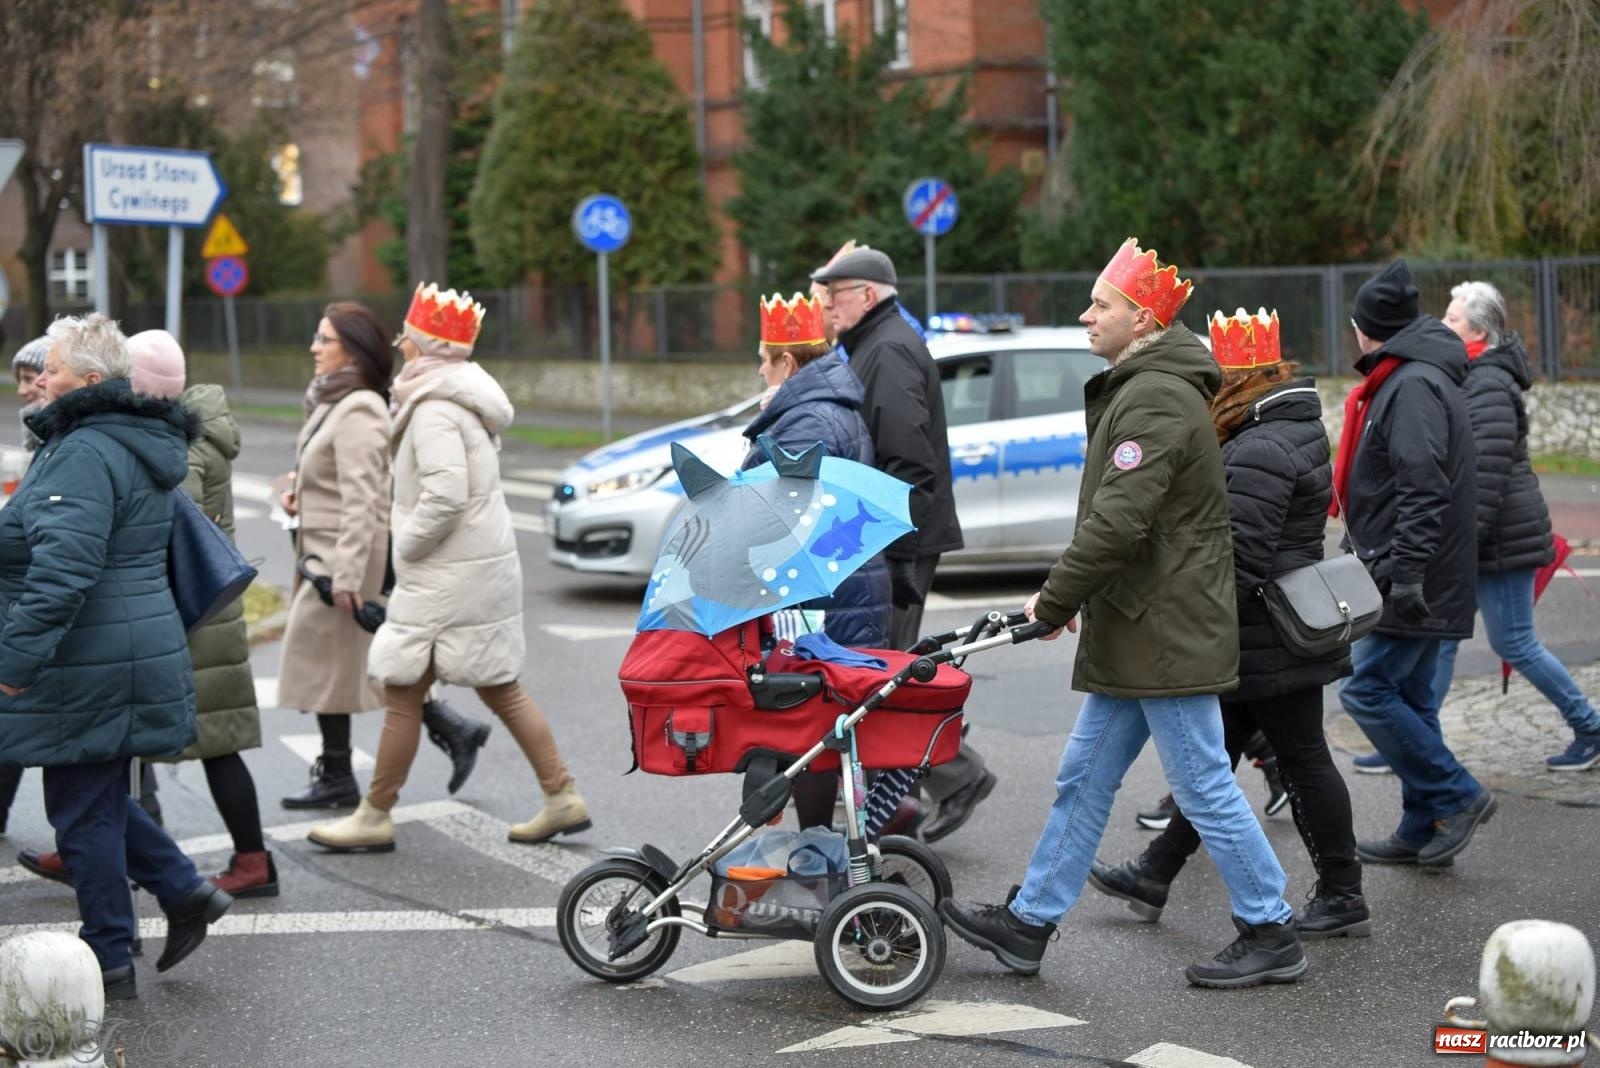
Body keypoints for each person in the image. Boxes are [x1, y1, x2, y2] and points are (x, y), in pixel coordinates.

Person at [939, 239, 1305, 989]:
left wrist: (1056, 598)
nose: (1086, 314)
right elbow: (1123, 523)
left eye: (1100, 303)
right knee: (1083, 776)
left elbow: (1118, 521)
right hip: (1142, 626)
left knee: (1201, 783)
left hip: (1164, 633)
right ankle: (1030, 923)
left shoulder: (1156, 396)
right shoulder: (1144, 386)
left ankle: (1271, 928)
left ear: (1141, 320)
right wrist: (1076, 596)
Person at [1089, 308, 1367, 940]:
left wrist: (1189, 617)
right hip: (1268, 630)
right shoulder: (1282, 426)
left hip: (1266, 633)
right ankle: (1156, 870)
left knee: (1300, 762)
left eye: (1216, 376)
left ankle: (1343, 893)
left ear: (1238, 380)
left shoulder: (1260, 444)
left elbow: (1237, 556)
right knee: (1213, 763)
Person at [308, 284, 588, 851]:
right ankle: (560, 795)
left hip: (444, 577)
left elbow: (445, 496)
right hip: (468, 573)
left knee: (404, 690)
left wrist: (405, 547)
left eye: (407, 337)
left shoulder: (434, 408)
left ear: (424, 347)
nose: (399, 345)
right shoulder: (452, 399)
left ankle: (374, 814)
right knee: (494, 687)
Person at [0, 314, 232, 1000]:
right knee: (92, 796)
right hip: (121, 644)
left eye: (53, 368)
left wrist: (14, 662)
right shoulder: (119, 439)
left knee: (80, 810)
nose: (41, 378)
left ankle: (108, 954)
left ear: (91, 381)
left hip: (91, 652)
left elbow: (63, 572)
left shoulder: (83, 450)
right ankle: (183, 891)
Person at [810, 246, 993, 844]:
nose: (828, 306)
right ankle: (933, 783)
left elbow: (908, 465)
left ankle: (942, 781)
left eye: (835, 295)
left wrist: (890, 554)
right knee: (882, 672)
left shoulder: (886, 349)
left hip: (894, 543)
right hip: (889, 540)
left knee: (878, 677)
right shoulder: (874, 342)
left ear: (867, 294)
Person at [276, 305, 491, 809]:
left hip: (343, 559)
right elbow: (334, 480)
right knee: (348, 661)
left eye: (324, 339)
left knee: (342, 662)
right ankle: (443, 730)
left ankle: (344, 772)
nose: (313, 347)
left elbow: (364, 497)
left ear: (352, 351)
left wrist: (349, 574)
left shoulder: (360, 408)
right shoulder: (334, 401)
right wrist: (300, 494)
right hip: (324, 553)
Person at [739, 292, 915, 837]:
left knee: (810, 727)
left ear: (788, 363)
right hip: (843, 587)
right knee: (826, 724)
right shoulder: (823, 408)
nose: (760, 370)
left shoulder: (805, 420)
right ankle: (870, 828)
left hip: (824, 598)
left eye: (764, 360)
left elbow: (774, 509)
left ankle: (823, 844)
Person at [1336, 259, 1493, 867]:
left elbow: (1423, 486)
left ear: (1366, 329)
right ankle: (1421, 827)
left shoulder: (1410, 385)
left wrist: (1405, 574)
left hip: (1417, 574)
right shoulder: (1410, 376)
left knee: (1367, 690)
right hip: (1422, 568)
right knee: (1414, 697)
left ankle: (1459, 794)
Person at [1434, 281, 1600, 770]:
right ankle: (1415, 740)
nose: (1443, 324)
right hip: (1488, 536)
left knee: (1514, 642)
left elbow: (1485, 474)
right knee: (1441, 639)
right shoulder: (1472, 375)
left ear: (1479, 331)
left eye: (1452, 318)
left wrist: (1461, 543)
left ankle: (1590, 727)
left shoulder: (1487, 382)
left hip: (1502, 539)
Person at [0, 336, 49, 837]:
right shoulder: (38, 439)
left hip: (38, 601)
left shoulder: (65, 445)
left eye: (32, 377)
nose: (22, 390)